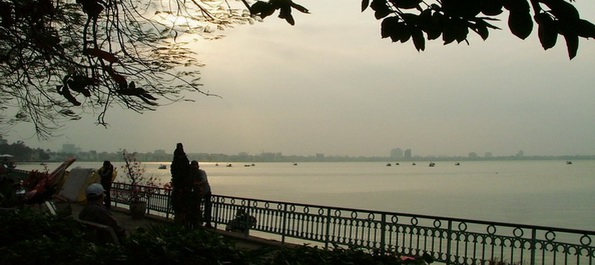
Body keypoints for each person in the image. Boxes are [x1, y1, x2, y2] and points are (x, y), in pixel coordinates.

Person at [192, 160, 212, 228]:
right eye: (193, 167)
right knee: (196, 205)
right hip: (198, 192)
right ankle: (197, 220)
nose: (194, 168)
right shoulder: (191, 173)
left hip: (206, 191)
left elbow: (204, 180)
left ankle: (208, 222)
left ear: (198, 166)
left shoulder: (201, 172)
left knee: (207, 206)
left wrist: (196, 184)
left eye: (195, 166)